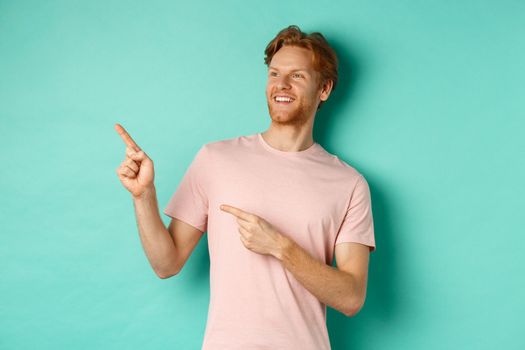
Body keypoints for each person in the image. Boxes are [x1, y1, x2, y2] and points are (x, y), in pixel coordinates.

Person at [115, 25, 376, 350]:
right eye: (274, 73)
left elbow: (351, 297)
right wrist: (143, 196)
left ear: (324, 89)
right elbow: (166, 264)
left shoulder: (349, 184)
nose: (280, 84)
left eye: (297, 76)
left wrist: (281, 247)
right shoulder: (216, 159)